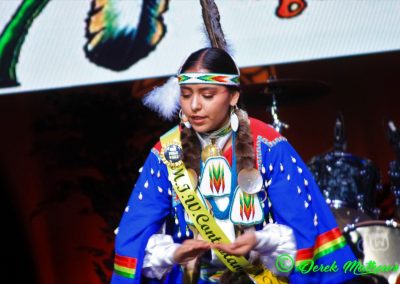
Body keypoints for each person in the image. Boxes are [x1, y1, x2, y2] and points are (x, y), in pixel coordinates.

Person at [111, 47, 357, 284]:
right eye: (186, 95)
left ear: (234, 96)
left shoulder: (269, 145)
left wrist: (259, 241)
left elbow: (304, 229)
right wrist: (174, 254)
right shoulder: (166, 152)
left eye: (207, 95)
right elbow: (134, 237)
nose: (194, 105)